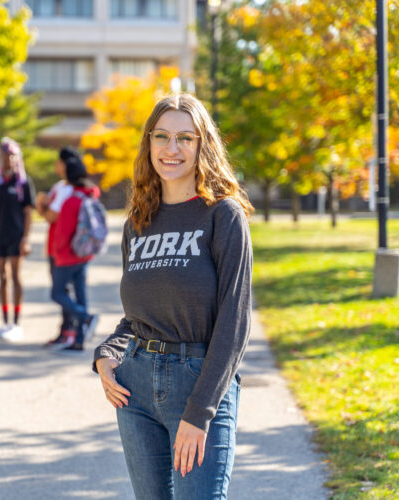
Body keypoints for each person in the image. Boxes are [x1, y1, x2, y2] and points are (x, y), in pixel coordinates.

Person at [93, 93, 253, 499]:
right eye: (161, 136)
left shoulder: (223, 215)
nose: (172, 148)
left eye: (186, 138)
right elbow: (136, 318)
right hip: (136, 391)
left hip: (199, 383)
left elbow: (234, 322)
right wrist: (107, 355)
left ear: (203, 146)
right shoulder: (139, 222)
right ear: (148, 144)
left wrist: (199, 413)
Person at [0, 137, 35, 342]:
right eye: (6, 154)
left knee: (15, 276)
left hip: (16, 236)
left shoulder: (22, 183)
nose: (9, 158)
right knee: (2, 279)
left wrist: (26, 238)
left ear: (18, 157)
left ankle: (16, 322)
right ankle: (5, 321)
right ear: (1, 157)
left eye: (13, 155)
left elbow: (29, 213)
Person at [48, 154, 100, 352]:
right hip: (84, 253)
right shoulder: (88, 195)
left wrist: (57, 253)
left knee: (57, 293)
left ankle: (86, 317)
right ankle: (79, 340)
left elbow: (62, 233)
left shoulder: (71, 201)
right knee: (80, 294)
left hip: (67, 256)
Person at [36, 146, 76, 347]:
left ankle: (74, 325)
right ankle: (67, 329)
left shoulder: (68, 190)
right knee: (63, 290)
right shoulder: (59, 186)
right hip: (54, 246)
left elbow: (51, 215)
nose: (55, 166)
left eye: (58, 162)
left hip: (62, 248)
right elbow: (45, 214)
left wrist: (42, 203)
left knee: (61, 291)